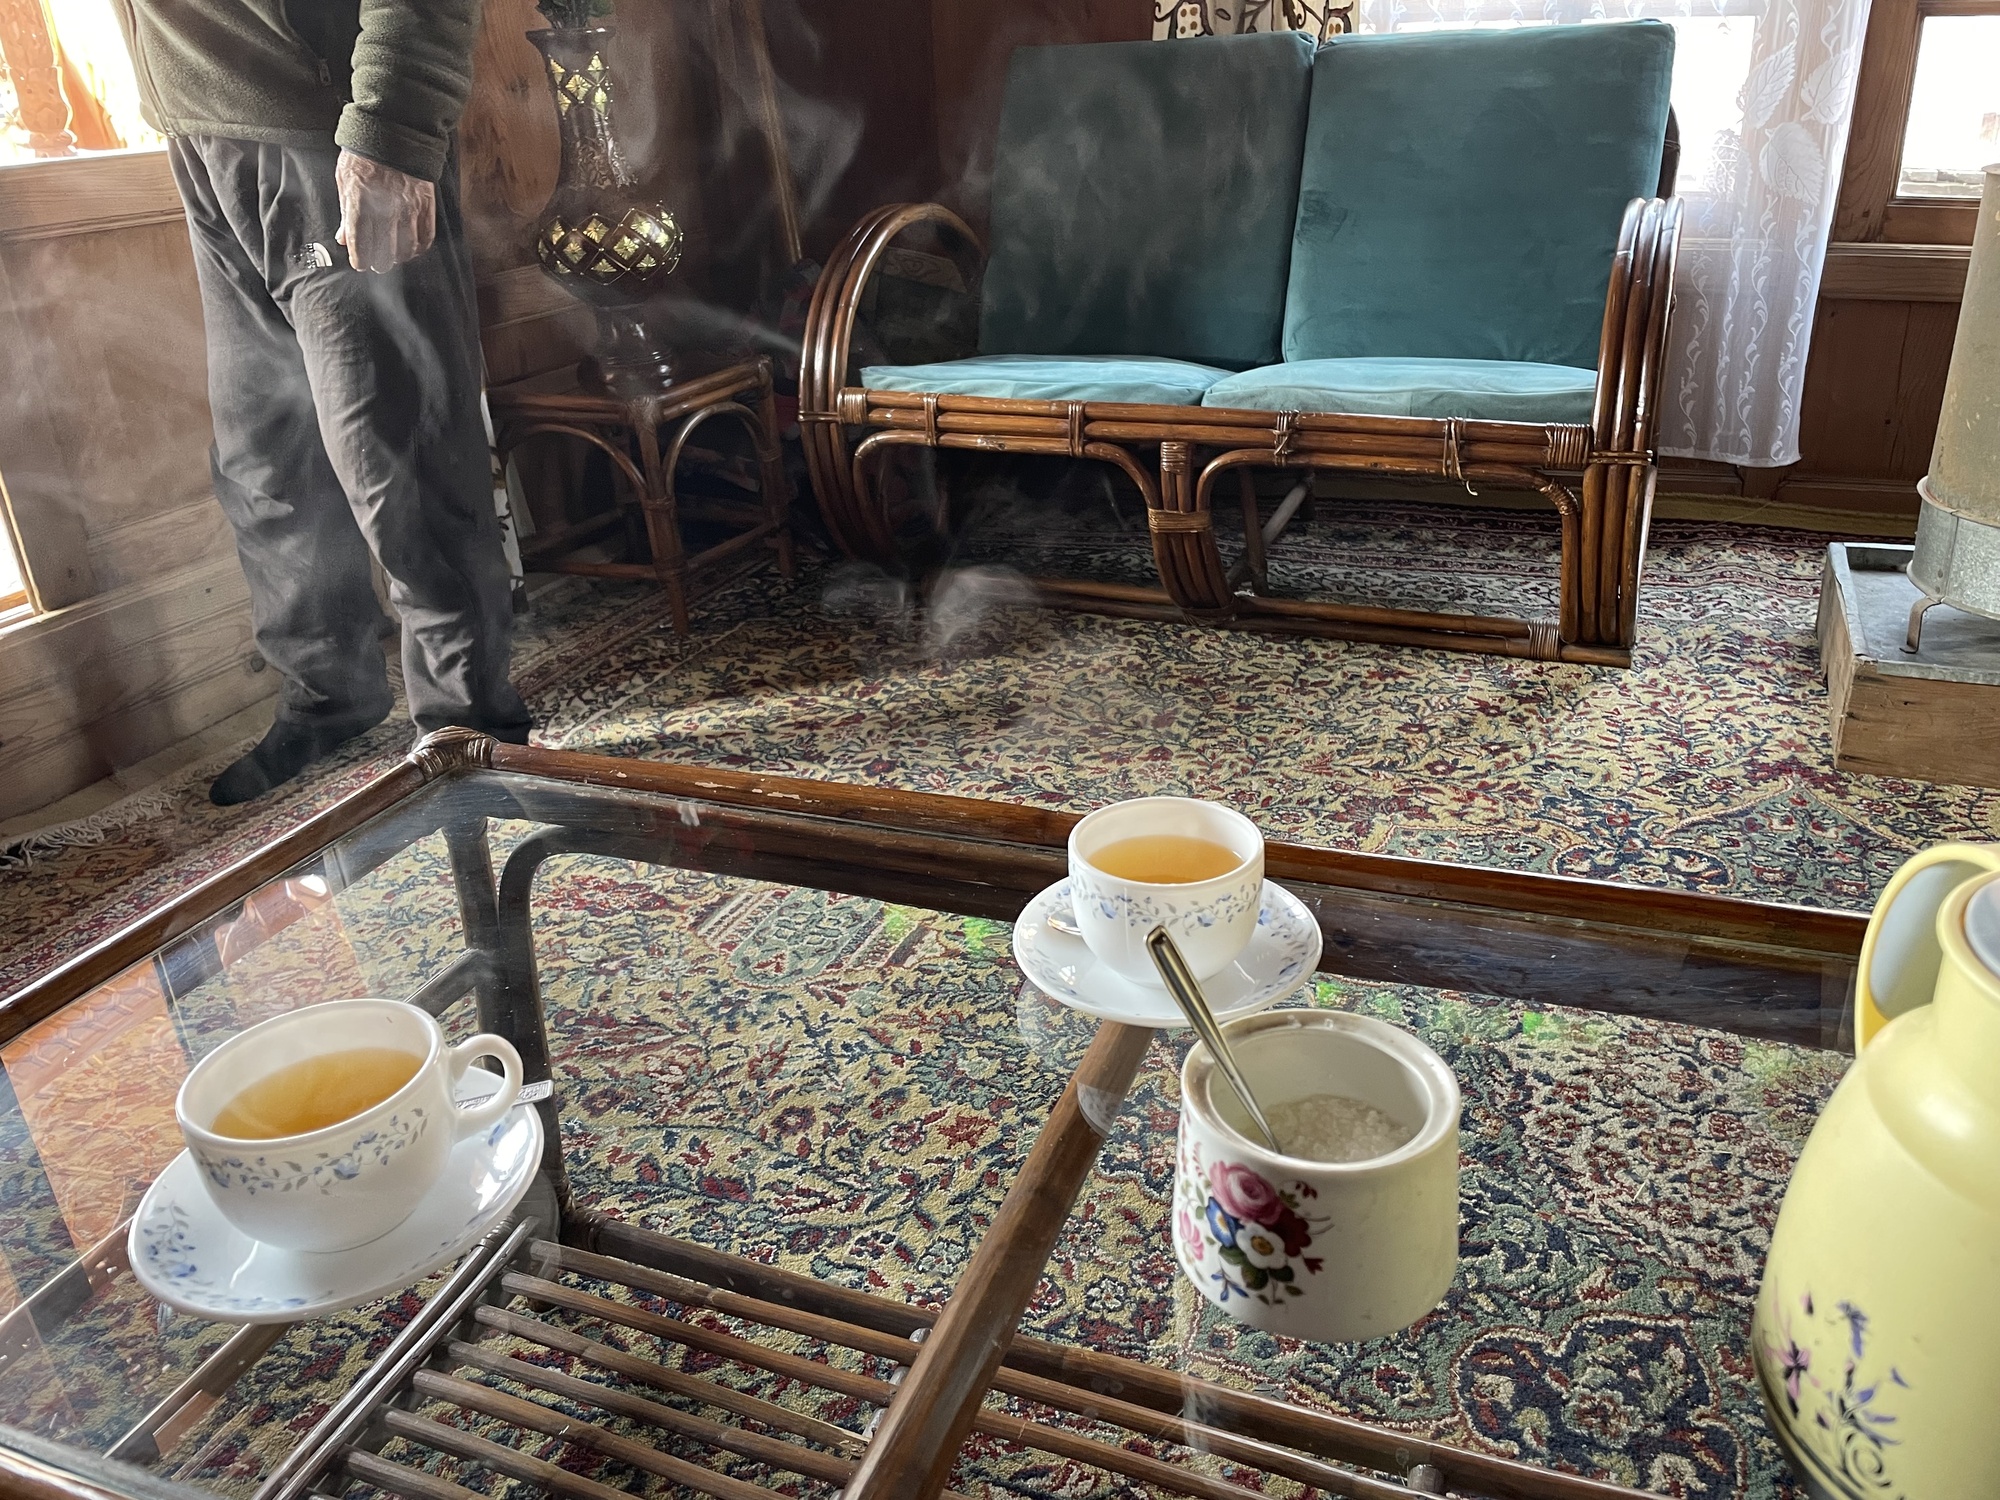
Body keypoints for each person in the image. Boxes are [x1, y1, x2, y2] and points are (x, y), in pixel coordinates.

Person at [116, 0, 533, 806]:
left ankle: (469, 725)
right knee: (266, 457)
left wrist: (391, 129)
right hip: (200, 134)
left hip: (329, 132)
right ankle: (328, 695)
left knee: (398, 457)